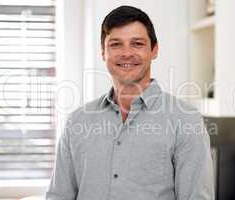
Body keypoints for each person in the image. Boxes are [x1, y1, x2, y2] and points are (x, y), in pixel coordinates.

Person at [46, 5, 214, 200]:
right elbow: (59, 196)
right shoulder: (76, 121)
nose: (126, 53)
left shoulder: (185, 120)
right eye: (116, 44)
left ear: (154, 50)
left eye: (137, 43)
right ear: (103, 53)